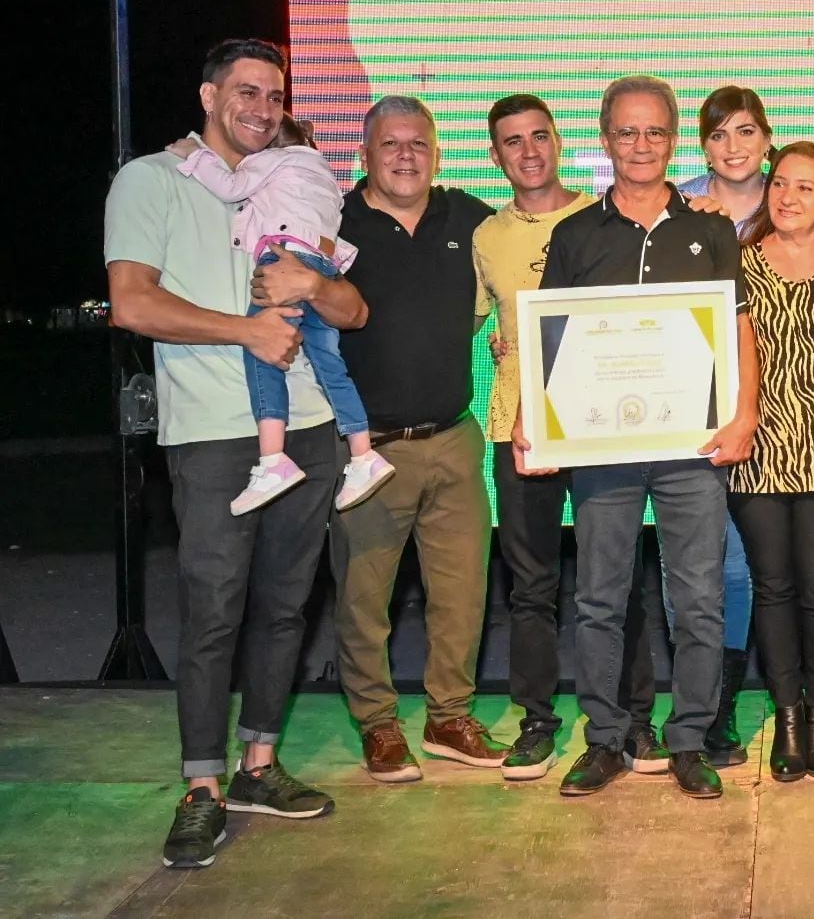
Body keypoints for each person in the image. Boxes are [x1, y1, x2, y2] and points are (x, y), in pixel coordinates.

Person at [105, 38, 358, 869]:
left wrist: (312, 288)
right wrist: (244, 329)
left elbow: (350, 305)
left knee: (286, 608)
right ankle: (202, 787)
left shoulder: (294, 177)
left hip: (311, 431)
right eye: (246, 92)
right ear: (210, 94)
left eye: (274, 95)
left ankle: (258, 765)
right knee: (213, 612)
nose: (262, 107)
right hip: (215, 435)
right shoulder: (152, 179)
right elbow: (133, 302)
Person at [514, 74, 759, 800]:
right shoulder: (574, 235)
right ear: (606, 139)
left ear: (672, 139)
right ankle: (606, 739)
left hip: (694, 447)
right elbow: (546, 342)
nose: (641, 145)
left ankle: (688, 740)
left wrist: (744, 414)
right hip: (602, 449)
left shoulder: (711, 229)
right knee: (598, 597)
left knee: (700, 599)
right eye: (627, 131)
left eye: (654, 132)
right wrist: (535, 415)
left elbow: (739, 332)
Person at [319, 95, 508, 782]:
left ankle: (450, 718)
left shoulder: (469, 217)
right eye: (391, 145)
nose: (406, 156)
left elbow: (542, 237)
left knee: (463, 594)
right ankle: (377, 723)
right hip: (369, 453)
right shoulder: (333, 222)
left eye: (419, 145)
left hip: (456, 437)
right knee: (364, 599)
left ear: (437, 153)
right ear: (364, 155)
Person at [473, 93, 662, 781]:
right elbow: (461, 318)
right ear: (496, 156)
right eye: (513, 142)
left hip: (600, 428)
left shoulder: (604, 216)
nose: (529, 151)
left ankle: (633, 719)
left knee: (615, 584)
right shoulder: (486, 236)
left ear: (560, 142)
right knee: (531, 587)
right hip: (515, 428)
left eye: (540, 137)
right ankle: (537, 722)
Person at [165, 114, 394, 516]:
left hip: (286, 260)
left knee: (263, 351)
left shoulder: (277, 159)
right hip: (320, 264)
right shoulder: (323, 173)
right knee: (330, 365)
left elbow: (229, 185)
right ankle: (363, 455)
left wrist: (194, 156)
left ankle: (273, 460)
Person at [728, 142, 814, 781]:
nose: (787, 197)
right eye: (780, 184)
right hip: (757, 450)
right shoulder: (737, 265)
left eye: (805, 188)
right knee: (773, 585)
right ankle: (787, 715)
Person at [667, 85, 776, 766]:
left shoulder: (800, 200)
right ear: (701, 145)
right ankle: (705, 707)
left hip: (783, 412)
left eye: (745, 131)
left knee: (755, 573)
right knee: (699, 569)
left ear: (768, 136)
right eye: (717, 135)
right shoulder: (673, 205)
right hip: (690, 408)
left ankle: (745, 702)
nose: (731, 146)